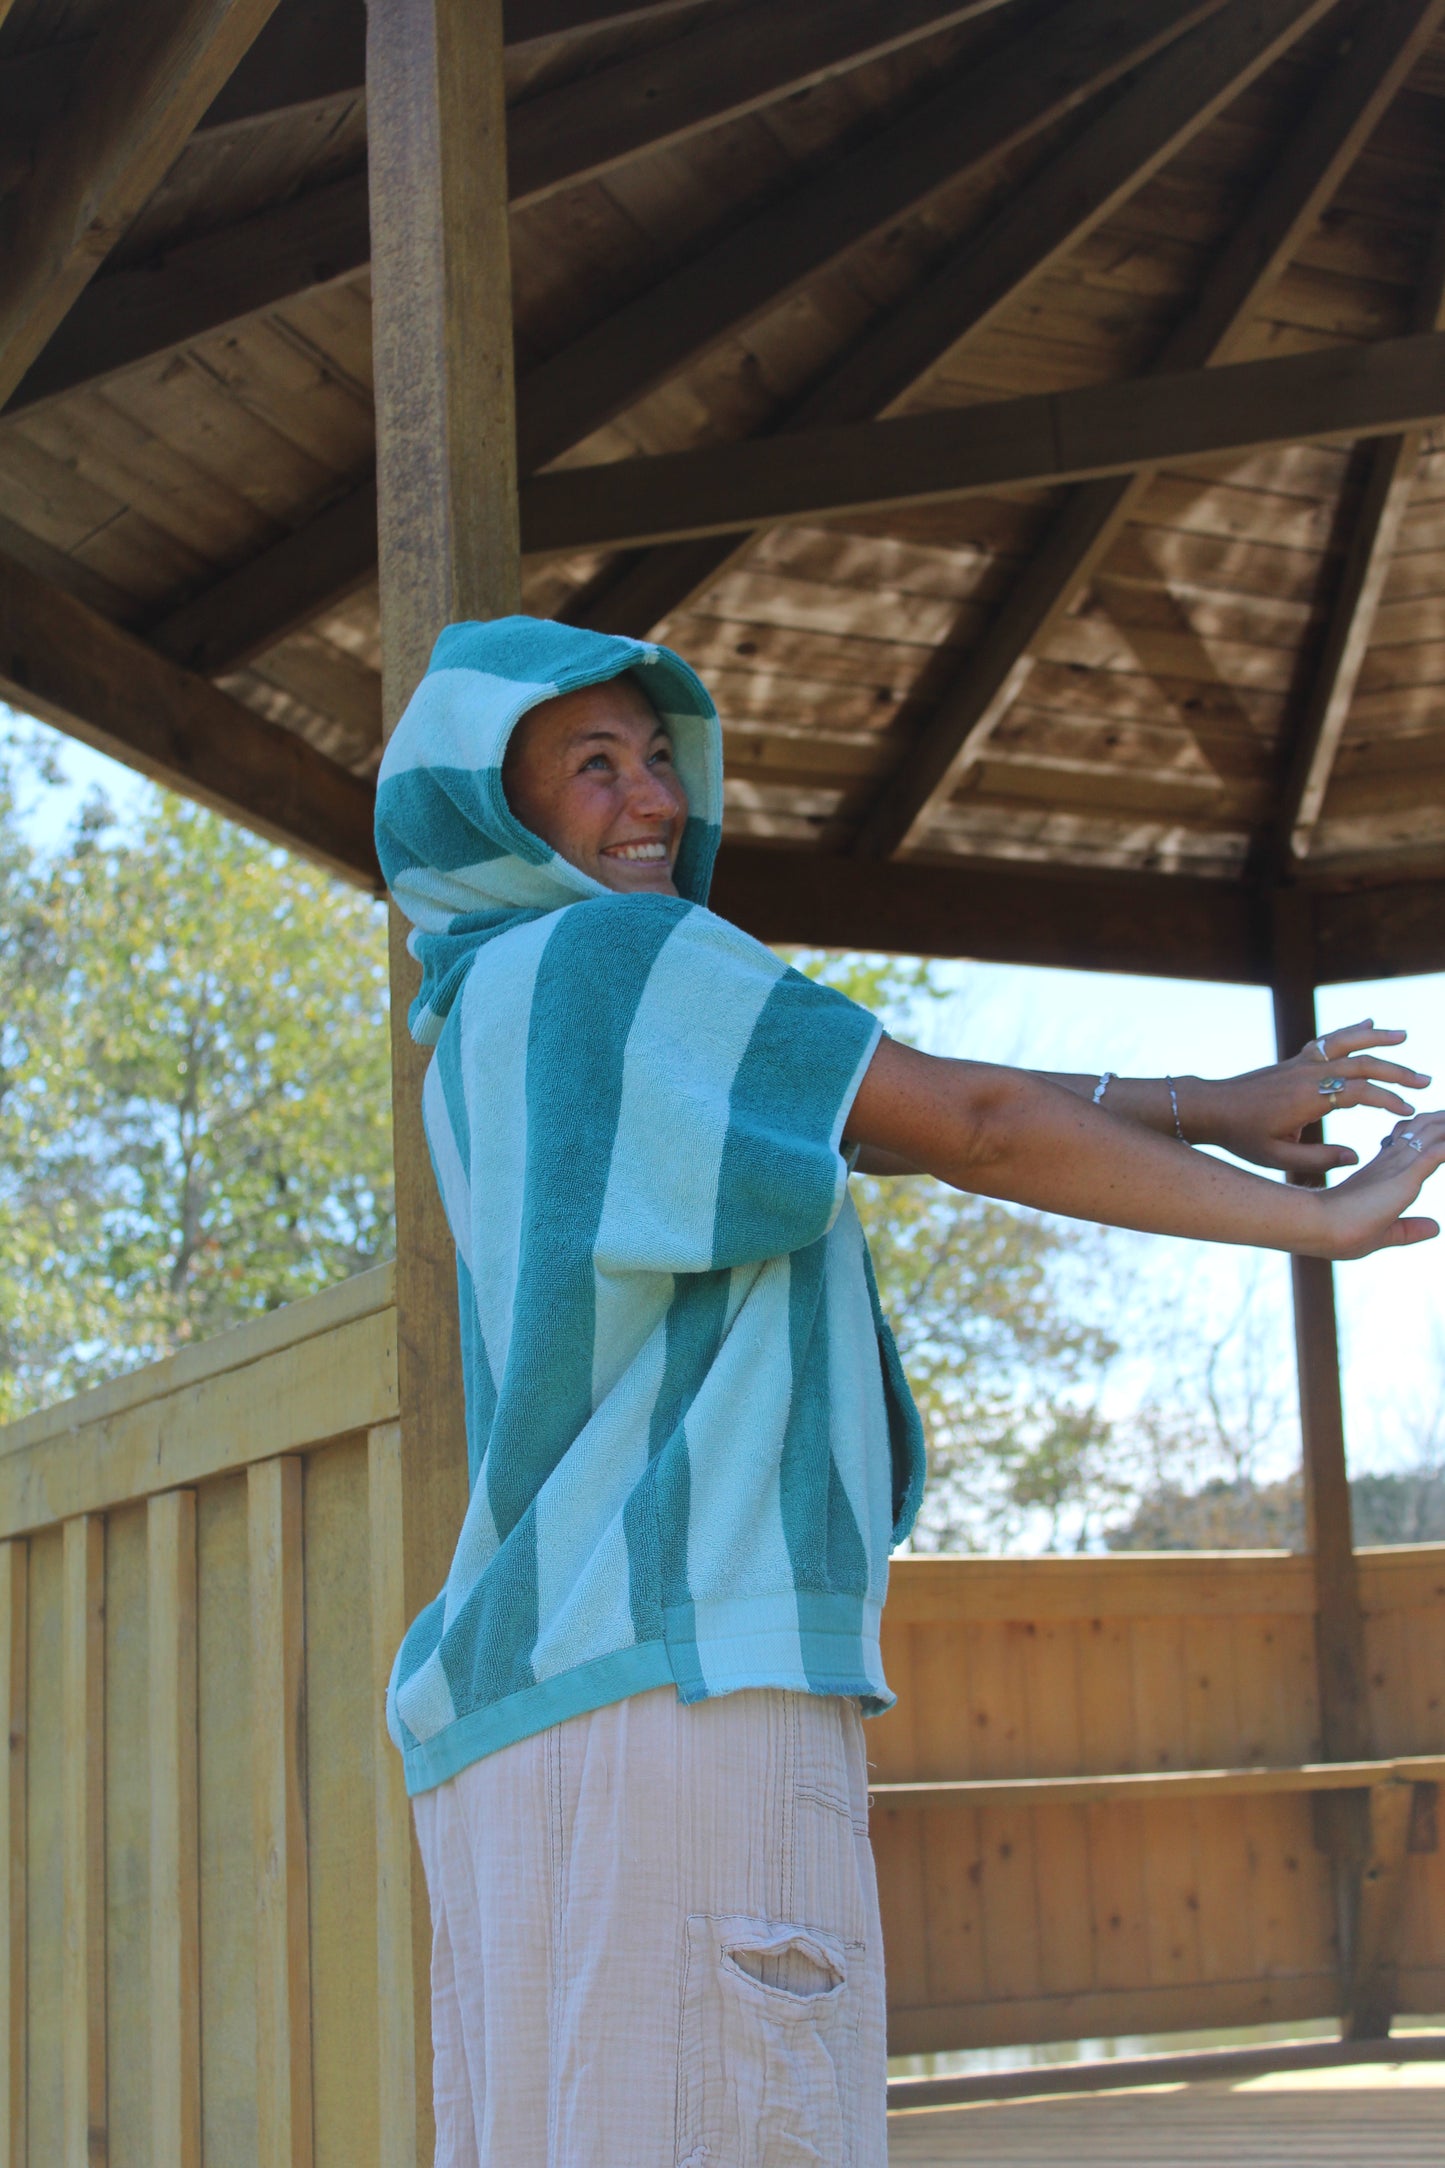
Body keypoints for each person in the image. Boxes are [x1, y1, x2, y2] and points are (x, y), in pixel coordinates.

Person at [374, 615, 1442, 2168]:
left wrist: (1210, 1102)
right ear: (498, 812)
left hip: (522, 1709)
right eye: (591, 768)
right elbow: (975, 1120)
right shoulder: (628, 957)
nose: (653, 801)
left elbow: (889, 1108)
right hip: (688, 1678)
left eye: (659, 758)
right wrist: (1313, 1222)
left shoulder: (489, 1020)